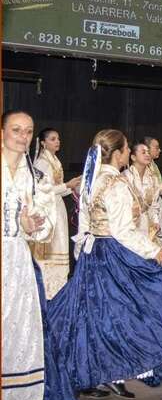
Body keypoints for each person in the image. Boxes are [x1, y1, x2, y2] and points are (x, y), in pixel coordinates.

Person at [48, 129, 162, 399]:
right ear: (120, 153)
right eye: (125, 149)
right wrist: (153, 249)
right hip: (111, 252)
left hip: (93, 251)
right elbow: (123, 231)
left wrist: (81, 251)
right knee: (124, 312)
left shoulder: (91, 179)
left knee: (95, 314)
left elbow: (85, 221)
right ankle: (107, 372)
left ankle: (99, 374)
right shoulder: (116, 184)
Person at [2, 110, 78, 400]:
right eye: (16, 130)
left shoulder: (33, 175)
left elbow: (43, 221)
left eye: (28, 131)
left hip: (18, 260)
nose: (22, 136)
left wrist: (34, 224)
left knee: (18, 329)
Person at [31, 128, 81, 298]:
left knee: (60, 245)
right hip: (47, 210)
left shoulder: (54, 160)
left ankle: (58, 289)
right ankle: (48, 290)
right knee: (52, 249)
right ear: (43, 143)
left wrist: (71, 186)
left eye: (58, 138)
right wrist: (67, 185)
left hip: (57, 207)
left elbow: (58, 189)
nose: (57, 141)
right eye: (52, 139)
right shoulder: (41, 163)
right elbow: (41, 190)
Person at [123, 142, 162, 250]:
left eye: (147, 152)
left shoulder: (152, 178)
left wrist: (155, 221)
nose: (147, 154)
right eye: (143, 152)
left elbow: (154, 204)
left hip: (147, 227)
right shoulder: (125, 177)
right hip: (129, 226)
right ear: (133, 157)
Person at [142, 136, 162, 250]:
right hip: (148, 211)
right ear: (146, 149)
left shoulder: (153, 165)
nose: (160, 150)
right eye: (157, 147)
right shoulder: (142, 167)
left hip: (157, 207)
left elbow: (158, 189)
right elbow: (146, 190)